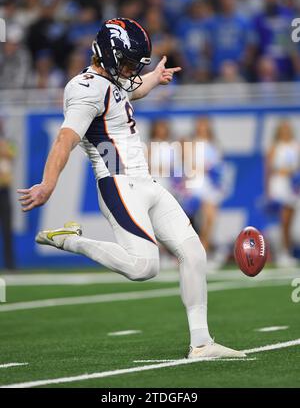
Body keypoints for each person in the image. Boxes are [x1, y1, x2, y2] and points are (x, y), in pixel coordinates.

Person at [17, 18, 245, 359]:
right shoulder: (85, 88)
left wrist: (155, 78)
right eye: (126, 62)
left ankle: (201, 343)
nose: (130, 70)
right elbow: (65, 139)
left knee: (194, 252)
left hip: (147, 182)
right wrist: (49, 183)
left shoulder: (110, 81)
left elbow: (128, 92)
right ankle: (70, 239)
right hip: (118, 182)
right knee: (144, 267)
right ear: (107, 55)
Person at [266, 120, 300, 267]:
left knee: (290, 221)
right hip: (279, 185)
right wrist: (268, 188)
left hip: (293, 186)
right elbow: (269, 169)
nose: (285, 132)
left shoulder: (296, 146)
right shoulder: (275, 147)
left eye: (288, 129)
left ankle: (287, 251)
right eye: (283, 129)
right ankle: (283, 252)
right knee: (283, 219)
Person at [0, 120, 15, 270]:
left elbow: (12, 154)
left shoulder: (7, 140)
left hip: (4, 189)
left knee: (7, 229)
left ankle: (10, 265)